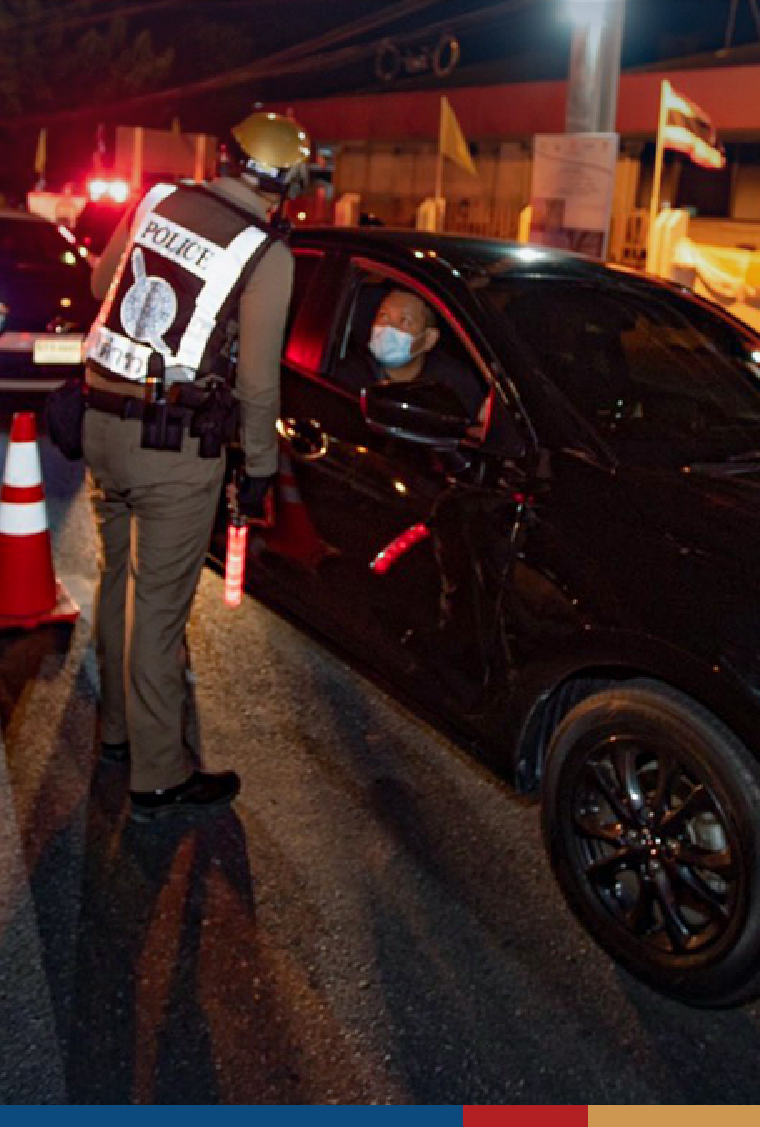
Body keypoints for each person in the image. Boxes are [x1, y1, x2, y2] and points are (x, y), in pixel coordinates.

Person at [80, 111, 311, 823]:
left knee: (116, 580)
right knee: (157, 612)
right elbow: (259, 384)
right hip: (173, 450)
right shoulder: (267, 254)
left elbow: (99, 287)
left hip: (98, 422)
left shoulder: (155, 199)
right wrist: (262, 467)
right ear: (290, 184)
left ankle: (117, 732)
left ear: (226, 157)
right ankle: (158, 776)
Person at [366, 289, 485, 427]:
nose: (388, 327)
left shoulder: (455, 385)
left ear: (428, 339)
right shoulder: (351, 376)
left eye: (405, 321)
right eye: (383, 316)